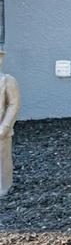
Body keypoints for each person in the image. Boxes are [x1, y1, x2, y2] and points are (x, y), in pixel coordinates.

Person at [0, 50, 22, 197]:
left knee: (2, 159)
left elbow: (14, 104)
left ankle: (3, 186)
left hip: (2, 131)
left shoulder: (7, 81)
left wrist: (5, 127)